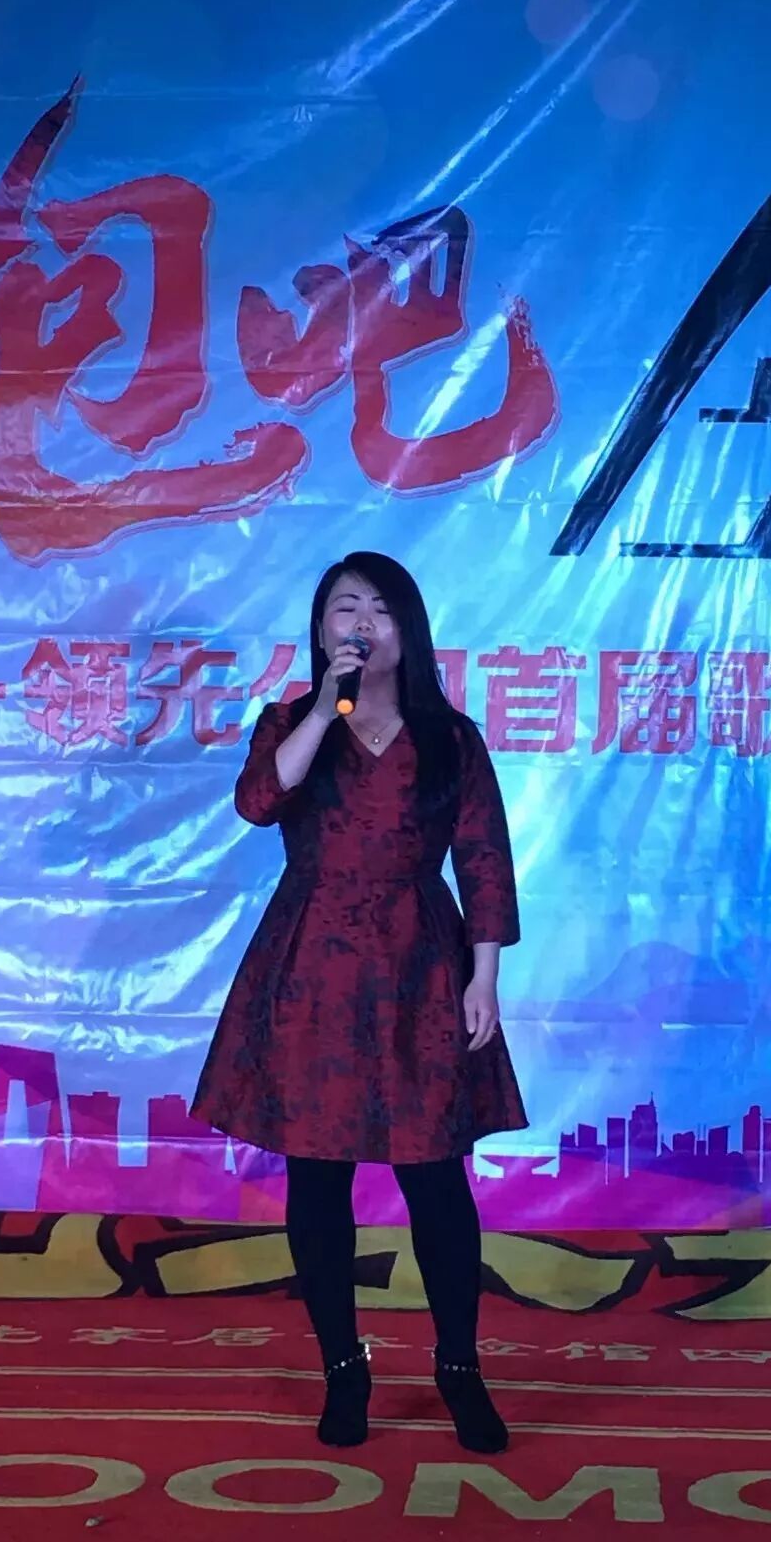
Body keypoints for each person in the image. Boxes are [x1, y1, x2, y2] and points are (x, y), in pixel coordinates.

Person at [191, 552, 526, 1453]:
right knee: (317, 1176)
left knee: (436, 1177)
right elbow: (258, 802)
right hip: (314, 966)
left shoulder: (449, 738)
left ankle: (459, 1367)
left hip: (421, 963)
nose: (363, 623)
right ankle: (344, 1369)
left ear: (408, 628)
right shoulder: (294, 723)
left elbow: (484, 860)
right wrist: (322, 708)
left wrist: (483, 975)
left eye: (381, 608)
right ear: (321, 629)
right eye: (346, 608)